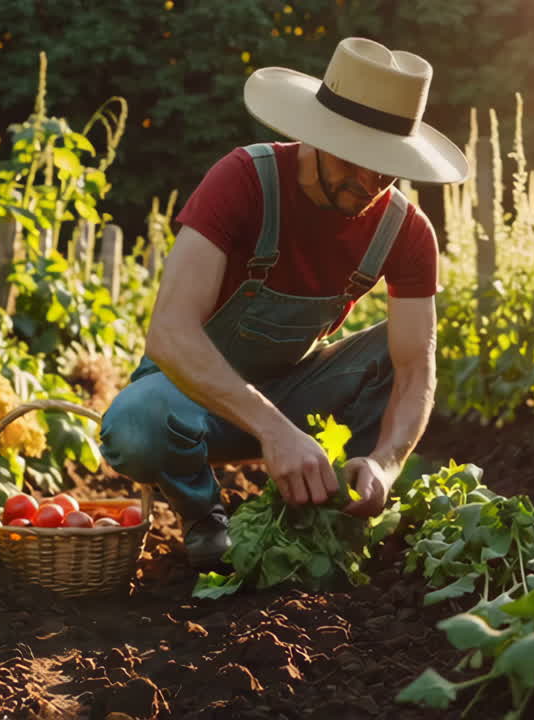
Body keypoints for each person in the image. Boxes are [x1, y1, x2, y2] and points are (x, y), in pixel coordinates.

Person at [98, 37, 468, 570]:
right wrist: (274, 431)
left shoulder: (405, 230)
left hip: (294, 389)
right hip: (187, 402)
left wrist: (386, 464)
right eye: (356, 160)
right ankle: (205, 519)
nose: (369, 182)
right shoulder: (245, 180)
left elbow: (414, 370)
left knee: (397, 353)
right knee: (135, 422)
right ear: (316, 137)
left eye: (385, 167)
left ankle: (329, 516)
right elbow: (170, 333)